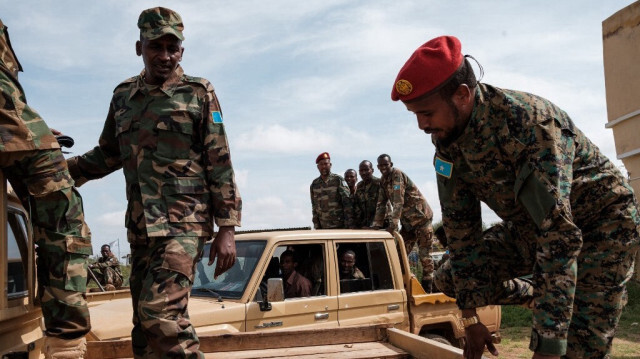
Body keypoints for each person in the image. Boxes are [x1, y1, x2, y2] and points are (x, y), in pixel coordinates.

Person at [392, 35, 640, 359]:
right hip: (529, 227)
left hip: (602, 225)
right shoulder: (447, 143)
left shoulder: (529, 125)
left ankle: (565, 300)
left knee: (578, 351)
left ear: (462, 95)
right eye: (415, 115)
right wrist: (471, 319)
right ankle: (545, 292)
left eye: (426, 113)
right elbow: (460, 232)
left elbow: (559, 236)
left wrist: (547, 347)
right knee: (449, 276)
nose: (422, 125)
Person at [66, 7, 242, 358]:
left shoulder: (199, 93)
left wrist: (228, 227)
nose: (164, 56)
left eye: (172, 48)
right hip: (141, 226)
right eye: (155, 47)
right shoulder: (123, 97)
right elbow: (107, 154)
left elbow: (219, 161)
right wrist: (58, 170)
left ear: (182, 51)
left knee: (159, 314)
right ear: (139, 47)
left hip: (184, 224)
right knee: (143, 329)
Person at [0, 18, 92, 358]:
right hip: (12, 129)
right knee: (65, 223)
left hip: (14, 125)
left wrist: (28, 125)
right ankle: (66, 344)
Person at [372, 154, 435, 293]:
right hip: (408, 224)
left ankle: (428, 288)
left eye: (386, 165)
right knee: (398, 254)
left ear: (391, 164)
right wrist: (375, 225)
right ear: (378, 167)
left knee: (425, 256)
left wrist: (392, 226)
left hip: (421, 219)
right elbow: (381, 204)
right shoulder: (383, 181)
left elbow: (398, 201)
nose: (383, 168)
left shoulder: (397, 175)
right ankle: (402, 287)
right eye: (381, 166)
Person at [310, 152, 353, 229]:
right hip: (323, 228)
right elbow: (314, 208)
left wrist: (348, 225)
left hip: (340, 227)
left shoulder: (338, 180)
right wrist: (317, 226)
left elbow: (347, 203)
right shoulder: (314, 184)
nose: (324, 166)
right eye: (321, 164)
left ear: (330, 165)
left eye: (326, 164)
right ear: (318, 167)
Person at [353, 160, 389, 228]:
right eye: (361, 170)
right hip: (366, 225)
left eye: (366, 170)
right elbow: (358, 208)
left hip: (381, 225)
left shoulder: (379, 183)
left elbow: (385, 207)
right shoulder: (359, 186)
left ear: (372, 170)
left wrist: (376, 225)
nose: (363, 173)